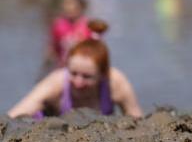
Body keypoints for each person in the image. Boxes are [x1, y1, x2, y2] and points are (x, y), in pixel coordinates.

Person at [8, 20, 141, 118]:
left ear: (103, 74)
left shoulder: (115, 83)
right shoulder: (56, 82)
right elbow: (13, 117)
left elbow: (138, 121)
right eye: (73, 73)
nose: (78, 82)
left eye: (87, 76)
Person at [45, 0, 95, 70]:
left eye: (71, 4)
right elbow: (53, 48)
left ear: (80, 7)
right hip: (64, 67)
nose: (68, 8)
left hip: (84, 68)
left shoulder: (88, 25)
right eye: (66, 4)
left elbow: (96, 49)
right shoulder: (58, 25)